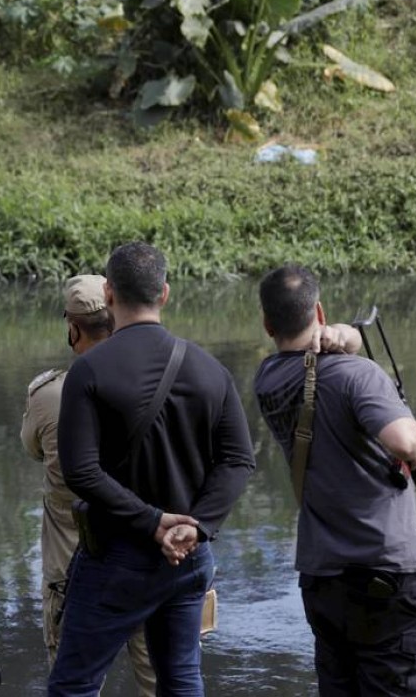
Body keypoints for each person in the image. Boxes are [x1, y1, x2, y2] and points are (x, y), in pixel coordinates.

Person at [49, 242, 255, 697]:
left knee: (73, 685)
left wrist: (152, 523)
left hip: (117, 557)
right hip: (188, 557)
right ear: (164, 293)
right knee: (181, 678)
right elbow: (239, 460)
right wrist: (196, 526)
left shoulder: (89, 370)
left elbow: (80, 472)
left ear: (108, 294)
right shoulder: (211, 370)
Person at [253, 264, 416, 696]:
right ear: (318, 310)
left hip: (323, 580)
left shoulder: (267, 380)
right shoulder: (358, 375)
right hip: (387, 577)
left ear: (267, 325)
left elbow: (330, 359)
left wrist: (347, 335)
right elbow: (404, 443)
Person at [21, 275, 156, 695]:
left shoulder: (48, 395)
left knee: (74, 684)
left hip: (73, 569)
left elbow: (32, 450)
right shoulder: (160, 379)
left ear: (73, 328)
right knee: (164, 681)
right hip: (152, 558)